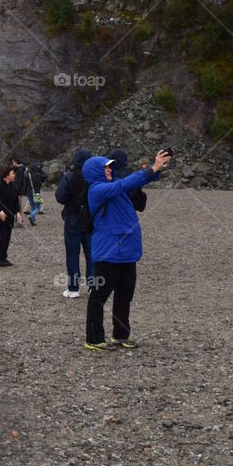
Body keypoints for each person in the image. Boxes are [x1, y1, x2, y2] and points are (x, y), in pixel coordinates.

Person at [82, 148, 171, 352]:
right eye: (105, 167)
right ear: (95, 171)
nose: (109, 170)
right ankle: (93, 338)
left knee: (124, 295)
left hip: (126, 251)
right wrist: (151, 168)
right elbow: (126, 183)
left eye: (109, 167)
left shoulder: (114, 186)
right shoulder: (97, 189)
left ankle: (120, 334)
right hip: (108, 253)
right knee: (99, 296)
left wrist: (156, 170)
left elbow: (133, 184)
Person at [55, 148, 93, 297]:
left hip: (72, 220)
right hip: (90, 220)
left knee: (72, 254)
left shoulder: (69, 176)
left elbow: (60, 197)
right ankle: (93, 285)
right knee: (91, 254)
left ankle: (73, 288)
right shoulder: (94, 177)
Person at [0, 163, 22, 266]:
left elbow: (16, 201)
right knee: (2, 236)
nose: (14, 175)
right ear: (7, 174)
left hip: (10, 215)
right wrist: (0, 211)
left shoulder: (13, 186)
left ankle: (4, 257)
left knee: (8, 237)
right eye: (13, 173)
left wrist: (18, 213)